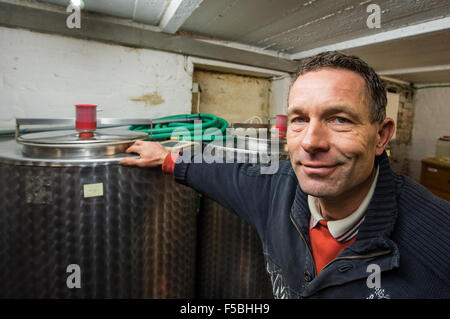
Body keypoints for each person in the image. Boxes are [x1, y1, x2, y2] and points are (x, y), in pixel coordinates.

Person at [120, 51, 450, 299]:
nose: (311, 142)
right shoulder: (275, 188)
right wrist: (167, 159)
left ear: (381, 136)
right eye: (299, 119)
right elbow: (220, 174)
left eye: (339, 119)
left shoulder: (436, 240)